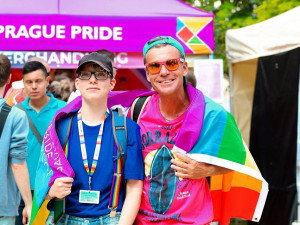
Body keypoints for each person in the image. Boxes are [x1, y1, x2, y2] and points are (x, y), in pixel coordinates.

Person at [104, 36, 268, 224]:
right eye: (155, 66)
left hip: (193, 221)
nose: (164, 72)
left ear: (184, 68)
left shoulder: (211, 114)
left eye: (171, 64)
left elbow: (238, 160)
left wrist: (205, 169)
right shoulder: (137, 108)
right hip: (143, 220)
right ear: (148, 74)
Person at [31, 52, 144, 225]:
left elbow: (134, 186)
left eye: (101, 74)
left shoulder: (127, 129)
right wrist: (51, 191)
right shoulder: (59, 126)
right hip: (63, 218)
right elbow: (42, 181)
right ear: (77, 83)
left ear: (112, 83)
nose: (93, 80)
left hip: (111, 219)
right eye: (85, 75)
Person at [15, 61, 66, 225]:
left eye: (38, 81)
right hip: (21, 190)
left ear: (47, 81)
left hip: (52, 189)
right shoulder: (15, 112)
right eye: (29, 82)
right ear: (23, 83)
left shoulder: (63, 110)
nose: (34, 86)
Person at [0, 54, 32, 225]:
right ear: (10, 79)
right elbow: (18, 163)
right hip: (3, 203)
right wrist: (28, 203)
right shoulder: (16, 116)